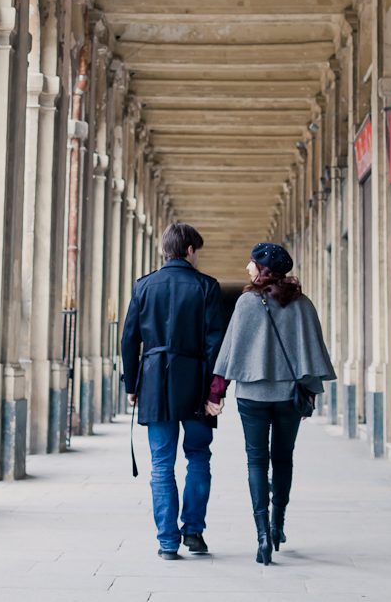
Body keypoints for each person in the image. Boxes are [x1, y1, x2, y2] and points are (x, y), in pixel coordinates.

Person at [205, 242, 335, 565]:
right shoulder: (302, 305)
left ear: (263, 269)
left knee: (256, 461)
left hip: (252, 397)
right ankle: (278, 524)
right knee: (284, 459)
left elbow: (230, 351)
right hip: (290, 397)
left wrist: (216, 393)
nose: (248, 268)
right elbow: (311, 352)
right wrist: (310, 394)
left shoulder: (246, 304)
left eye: (251, 263)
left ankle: (262, 534)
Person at [121, 222, 224, 560]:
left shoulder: (143, 286)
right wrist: (214, 393)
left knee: (162, 464)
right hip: (194, 383)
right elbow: (215, 345)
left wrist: (132, 384)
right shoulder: (207, 287)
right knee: (198, 456)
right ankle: (193, 531)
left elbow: (129, 340)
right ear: (190, 250)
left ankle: (167, 542)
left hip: (153, 383)